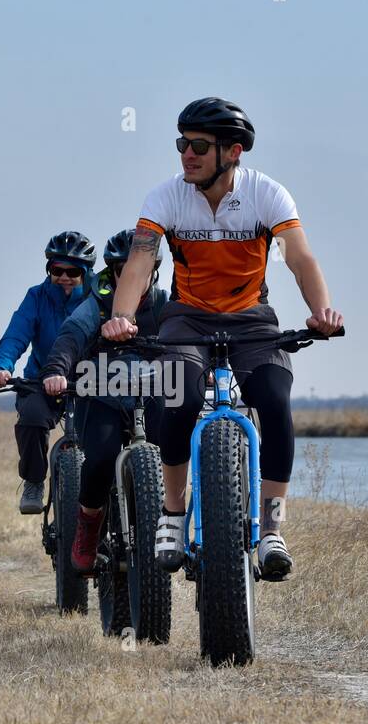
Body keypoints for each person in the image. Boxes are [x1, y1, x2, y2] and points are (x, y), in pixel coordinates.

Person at [101, 98, 344, 581]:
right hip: (187, 318)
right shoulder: (166, 197)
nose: (185, 155)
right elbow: (141, 261)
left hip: (251, 318)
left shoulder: (266, 194)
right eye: (181, 144)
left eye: (197, 146)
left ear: (232, 152)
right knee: (179, 396)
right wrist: (122, 316)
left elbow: (299, 257)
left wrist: (321, 312)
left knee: (273, 398)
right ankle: (173, 513)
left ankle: (272, 527)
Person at [40, 229, 167, 572]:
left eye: (142, 267)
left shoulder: (162, 302)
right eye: (124, 268)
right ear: (112, 271)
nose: (134, 274)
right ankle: (88, 528)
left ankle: (172, 526)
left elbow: (185, 341)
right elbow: (70, 337)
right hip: (101, 396)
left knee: (171, 451)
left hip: (152, 393)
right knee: (100, 459)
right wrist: (56, 369)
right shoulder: (95, 304)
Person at [0, 231, 95, 513]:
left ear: (87, 272)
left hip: (93, 380)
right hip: (42, 378)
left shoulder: (99, 295)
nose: (65, 277)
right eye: (57, 270)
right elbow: (16, 334)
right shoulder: (36, 296)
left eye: (73, 271)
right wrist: (2, 366)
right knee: (32, 418)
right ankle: (34, 481)